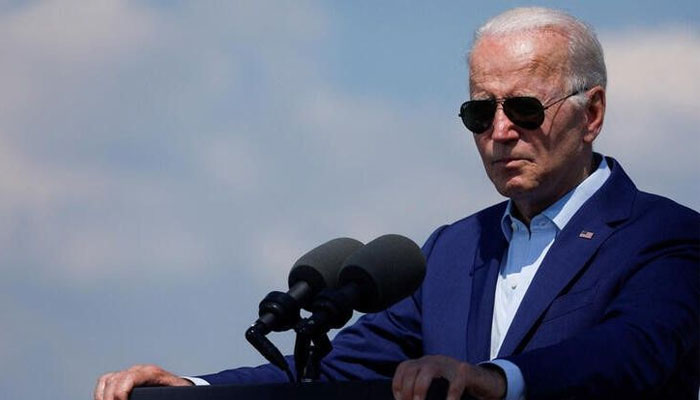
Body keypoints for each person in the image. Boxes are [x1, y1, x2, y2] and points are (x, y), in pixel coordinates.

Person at [94, 7, 699, 400]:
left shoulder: (665, 235)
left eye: (523, 108)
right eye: (479, 111)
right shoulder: (453, 249)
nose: (500, 131)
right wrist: (191, 388)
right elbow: (334, 370)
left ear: (590, 113)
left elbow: (631, 355)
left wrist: (496, 381)